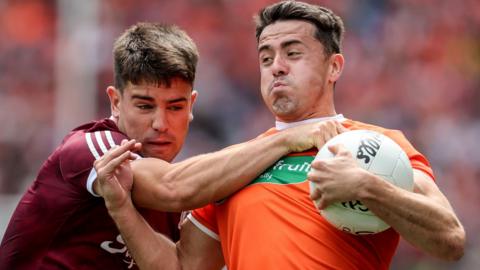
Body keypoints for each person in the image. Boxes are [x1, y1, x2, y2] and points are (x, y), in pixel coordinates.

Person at [95, 1, 466, 270]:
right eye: (267, 57)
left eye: (293, 53)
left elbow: (450, 240)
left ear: (334, 66)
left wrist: (368, 187)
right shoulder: (235, 166)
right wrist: (121, 209)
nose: (277, 67)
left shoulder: (374, 145)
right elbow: (181, 267)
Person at [0, 21, 343, 270]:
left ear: (192, 105)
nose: (160, 124)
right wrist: (286, 139)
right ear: (115, 102)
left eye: (175, 107)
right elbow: (172, 187)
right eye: (145, 106)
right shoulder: (90, 148)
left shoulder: (194, 190)